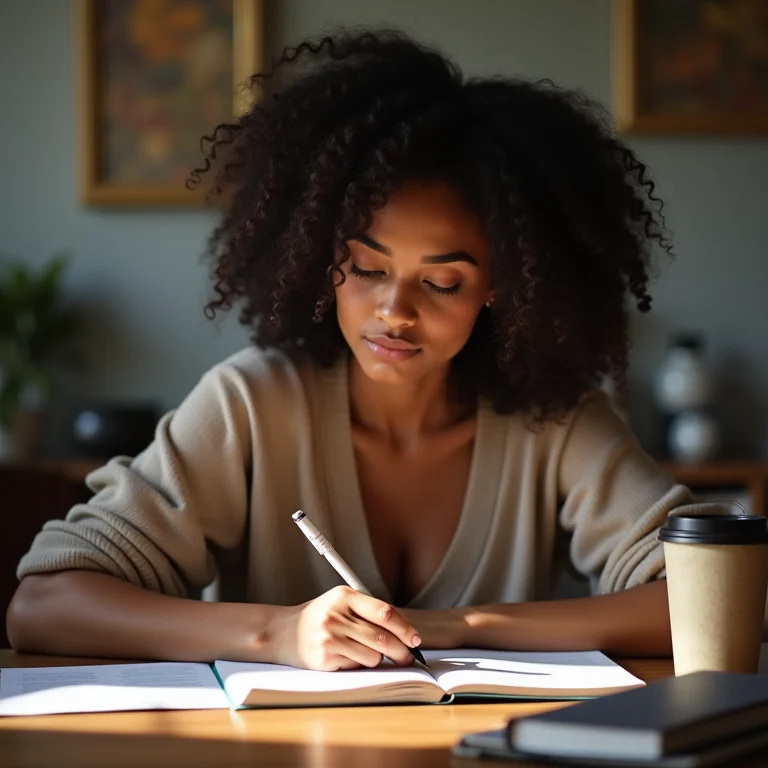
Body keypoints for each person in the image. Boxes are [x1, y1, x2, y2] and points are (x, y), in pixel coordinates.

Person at [7, 29, 693, 671]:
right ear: (318, 257)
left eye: (442, 282)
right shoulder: (252, 404)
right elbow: (43, 606)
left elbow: (718, 595)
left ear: (500, 285)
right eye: (365, 269)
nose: (395, 312)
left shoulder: (555, 419)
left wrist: (462, 626)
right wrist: (281, 634)